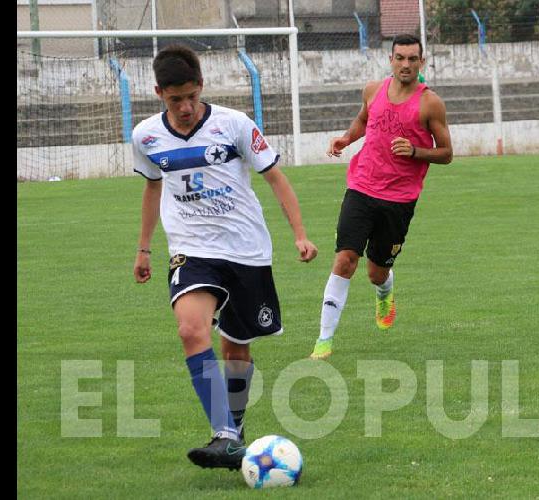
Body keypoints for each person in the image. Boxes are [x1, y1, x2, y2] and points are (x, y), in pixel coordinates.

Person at [131, 45, 318, 470]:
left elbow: (275, 177)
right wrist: (144, 248)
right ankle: (225, 433)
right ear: (159, 92)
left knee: (236, 348)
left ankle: (234, 430)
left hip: (246, 249)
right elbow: (152, 188)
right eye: (174, 99)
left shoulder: (234, 125)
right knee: (190, 329)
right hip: (192, 250)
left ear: (201, 87)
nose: (184, 107)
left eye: (191, 96)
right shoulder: (145, 136)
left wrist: (300, 235)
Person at [310, 33, 453, 360]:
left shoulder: (430, 102)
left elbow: (446, 153)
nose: (405, 64)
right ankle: (323, 340)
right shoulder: (373, 90)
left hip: (399, 200)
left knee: (376, 271)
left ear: (422, 62)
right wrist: (346, 139)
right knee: (345, 259)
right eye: (400, 58)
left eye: (412, 59)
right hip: (361, 186)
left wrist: (416, 150)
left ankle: (384, 293)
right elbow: (363, 120)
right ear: (391, 59)